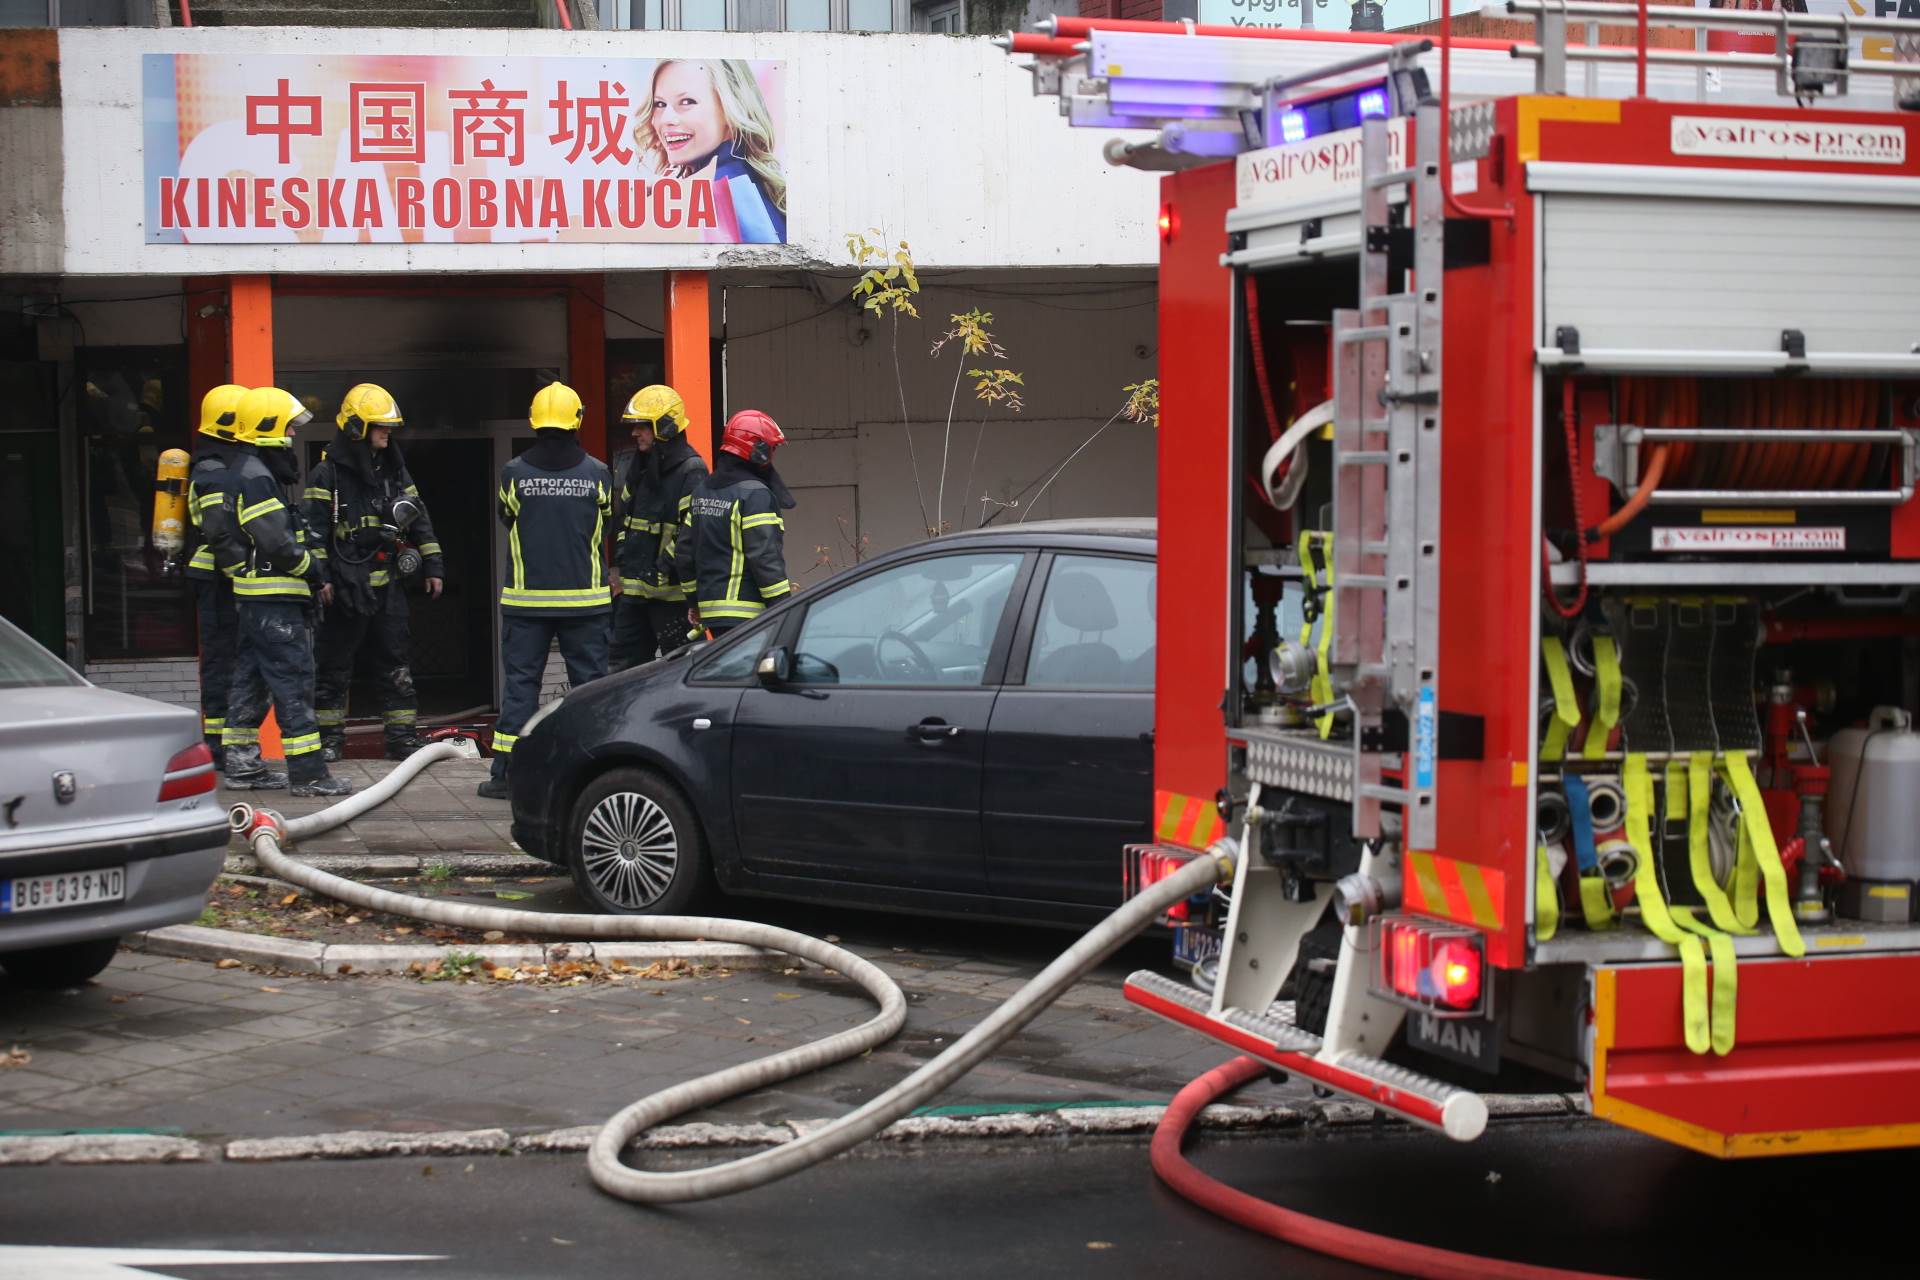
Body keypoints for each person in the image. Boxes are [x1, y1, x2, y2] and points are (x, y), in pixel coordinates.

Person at [479, 382, 614, 801]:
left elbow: (507, 516)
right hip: (586, 604)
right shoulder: (598, 473)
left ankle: (506, 776)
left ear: (535, 420)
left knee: (521, 689)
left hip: (526, 603)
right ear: (576, 420)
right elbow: (606, 521)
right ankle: (595, 772)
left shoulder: (514, 473)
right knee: (589, 691)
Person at [304, 384, 446, 762]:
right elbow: (314, 531)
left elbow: (420, 519)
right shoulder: (326, 475)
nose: (387, 432)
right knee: (333, 668)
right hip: (345, 590)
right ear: (357, 428)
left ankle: (401, 741)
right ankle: (328, 742)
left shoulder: (396, 472)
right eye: (380, 426)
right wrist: (322, 579)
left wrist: (433, 565)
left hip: (388, 589)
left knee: (396, 664)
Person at [224, 387, 352, 798]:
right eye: (288, 429)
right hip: (276, 602)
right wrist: (313, 570)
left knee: (252, 682)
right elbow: (277, 543)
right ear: (267, 429)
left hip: (254, 599)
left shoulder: (242, 470)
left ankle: (242, 768)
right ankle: (310, 774)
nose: (293, 438)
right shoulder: (257, 477)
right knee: (294, 684)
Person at [609, 384, 709, 672]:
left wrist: (662, 567)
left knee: (680, 673)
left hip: (672, 600)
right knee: (620, 673)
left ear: (665, 426)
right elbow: (624, 520)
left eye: (643, 426)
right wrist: (621, 565)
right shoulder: (640, 466)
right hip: (634, 595)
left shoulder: (691, 470)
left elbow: (690, 531)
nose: (634, 433)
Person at [634, 59, 787, 244]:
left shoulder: (718, 192)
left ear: (731, 108)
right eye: (659, 104)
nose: (666, 119)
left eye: (687, 101)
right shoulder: (749, 180)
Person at [677, 409, 794, 639]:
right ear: (758, 450)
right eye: (771, 448)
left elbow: (683, 553)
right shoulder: (755, 494)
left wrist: (695, 601)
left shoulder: (703, 490)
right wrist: (784, 608)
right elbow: (765, 557)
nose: (772, 455)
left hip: (712, 614)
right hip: (748, 615)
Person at [184, 383, 250, 768]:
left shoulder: (220, 463)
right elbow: (219, 530)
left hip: (222, 577)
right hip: (217, 579)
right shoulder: (211, 469)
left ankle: (227, 741)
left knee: (232, 658)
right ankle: (217, 744)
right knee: (220, 659)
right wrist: (243, 570)